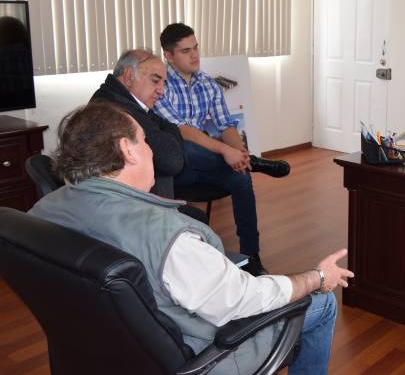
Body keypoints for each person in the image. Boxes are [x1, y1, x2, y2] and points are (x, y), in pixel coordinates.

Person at [28, 102, 353, 374]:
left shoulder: (40, 213)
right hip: (202, 355)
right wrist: (317, 277)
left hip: (101, 351)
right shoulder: (168, 239)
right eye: (144, 141)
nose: (151, 150)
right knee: (322, 304)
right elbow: (242, 301)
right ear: (127, 150)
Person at [155, 23, 287, 276]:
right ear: (168, 56)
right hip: (176, 168)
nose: (195, 55)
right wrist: (226, 153)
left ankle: (251, 256)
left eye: (196, 48)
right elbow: (183, 130)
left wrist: (239, 154)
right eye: (186, 51)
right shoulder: (161, 85)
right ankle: (255, 162)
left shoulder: (207, 83)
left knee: (241, 179)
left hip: (205, 163)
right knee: (187, 147)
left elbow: (225, 125)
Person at [90, 49, 183, 199]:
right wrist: (171, 136)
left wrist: (170, 135)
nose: (161, 91)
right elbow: (172, 161)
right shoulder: (118, 108)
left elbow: (169, 127)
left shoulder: (115, 97)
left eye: (163, 83)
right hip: (132, 206)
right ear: (128, 76)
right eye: (155, 80)